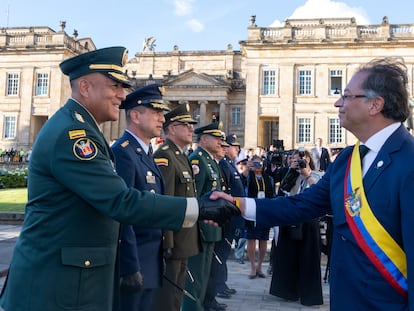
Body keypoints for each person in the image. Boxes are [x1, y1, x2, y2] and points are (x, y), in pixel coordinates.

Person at [0, 46, 239, 311]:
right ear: (86, 87)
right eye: (115, 86)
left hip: (74, 279)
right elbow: (120, 200)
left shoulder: (83, 128)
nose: (122, 95)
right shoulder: (74, 135)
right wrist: (198, 207)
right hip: (57, 284)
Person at [215, 57, 413, 310]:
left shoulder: (409, 162)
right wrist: (237, 204)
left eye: (347, 96)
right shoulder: (347, 160)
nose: (337, 102)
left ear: (375, 104)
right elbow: (303, 204)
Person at [111, 83, 170, 311]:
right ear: (135, 115)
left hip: (150, 258)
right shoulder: (123, 152)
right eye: (156, 112)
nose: (162, 119)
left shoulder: (144, 152)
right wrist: (129, 265)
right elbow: (123, 212)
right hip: (135, 260)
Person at [152, 104, 201, 311]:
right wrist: (167, 242)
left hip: (184, 239)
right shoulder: (165, 156)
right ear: (171, 128)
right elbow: (166, 201)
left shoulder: (180, 155)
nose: (191, 129)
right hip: (174, 241)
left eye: (191, 125)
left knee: (176, 297)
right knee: (166, 300)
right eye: (186, 125)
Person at [269, 149, 323, 306]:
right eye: (295, 159)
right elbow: (283, 192)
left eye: (301, 159)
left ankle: (308, 294)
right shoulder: (291, 175)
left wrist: (306, 174)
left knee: (308, 258)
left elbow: (318, 191)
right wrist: (291, 172)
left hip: (308, 221)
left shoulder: (317, 174)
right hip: (290, 217)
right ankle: (287, 290)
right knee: (287, 255)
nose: (298, 162)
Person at [182, 121, 226, 311]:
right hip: (201, 227)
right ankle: (193, 307)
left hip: (212, 227)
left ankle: (199, 305)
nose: (220, 142)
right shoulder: (197, 159)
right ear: (204, 139)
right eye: (216, 138)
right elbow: (195, 196)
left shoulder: (210, 160)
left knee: (205, 273)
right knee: (196, 275)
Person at [216, 133, 245, 298]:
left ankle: (222, 283)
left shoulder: (230, 164)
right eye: (235, 146)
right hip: (227, 215)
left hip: (233, 214)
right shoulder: (224, 165)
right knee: (221, 251)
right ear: (226, 148)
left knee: (225, 251)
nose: (237, 149)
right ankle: (219, 285)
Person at [244, 155, 275, 279]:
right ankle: (252, 266)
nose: (258, 166)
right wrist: (248, 168)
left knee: (263, 239)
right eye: (255, 164)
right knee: (251, 238)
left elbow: (272, 193)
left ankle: (260, 266)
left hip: (264, 209)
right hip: (251, 208)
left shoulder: (268, 178)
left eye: (260, 164)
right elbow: (242, 182)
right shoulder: (249, 177)